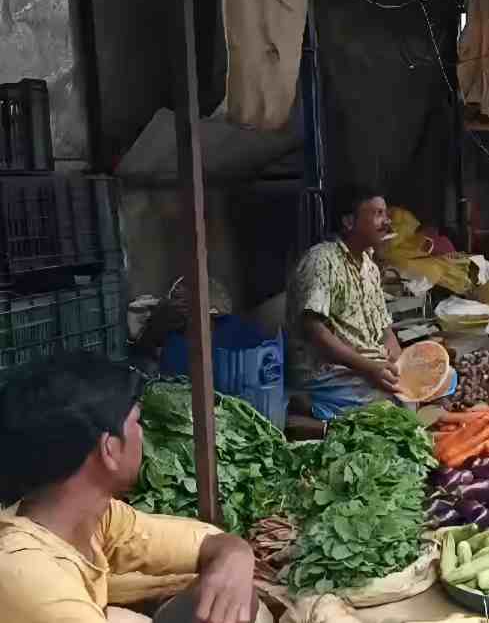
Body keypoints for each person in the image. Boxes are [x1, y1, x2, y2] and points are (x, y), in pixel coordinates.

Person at [0, 354, 261, 623]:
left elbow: (206, 542)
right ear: (109, 449)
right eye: (137, 421)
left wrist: (236, 554)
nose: (143, 433)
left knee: (229, 598)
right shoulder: (34, 580)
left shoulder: (95, 518)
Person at [285, 183, 404, 421]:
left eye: (386, 214)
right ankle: (306, 403)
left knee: (443, 380)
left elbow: (384, 327)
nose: (386, 222)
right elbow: (314, 330)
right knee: (390, 405)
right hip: (326, 371)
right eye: (377, 214)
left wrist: (395, 352)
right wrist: (368, 368)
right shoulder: (321, 261)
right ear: (349, 222)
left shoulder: (369, 266)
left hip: (368, 364)